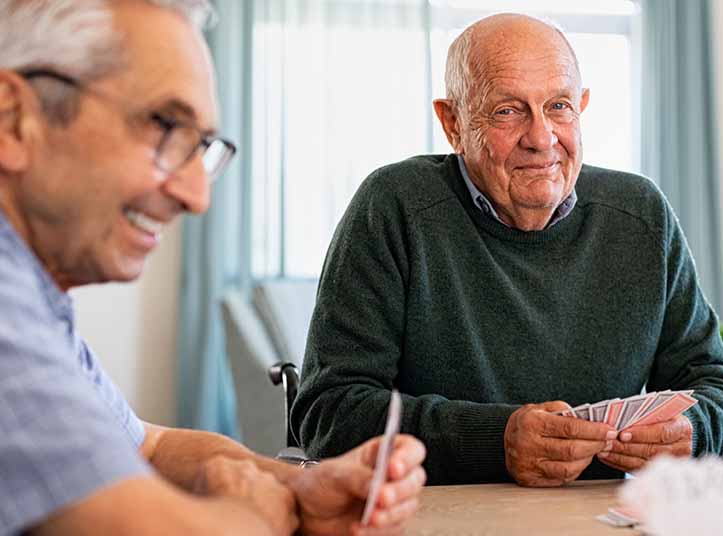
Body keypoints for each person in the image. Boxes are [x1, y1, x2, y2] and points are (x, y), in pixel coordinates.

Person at [0, 1, 426, 535]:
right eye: (165, 127)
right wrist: (253, 513)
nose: (198, 195)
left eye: (200, 147)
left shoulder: (37, 300)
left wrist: (299, 485)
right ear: (14, 120)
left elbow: (149, 445)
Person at [293, 13, 723, 487]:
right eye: (508, 110)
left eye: (558, 106)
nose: (541, 138)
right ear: (453, 123)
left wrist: (692, 431)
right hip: (444, 516)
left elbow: (718, 389)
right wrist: (495, 440)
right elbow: (328, 413)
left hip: (603, 517)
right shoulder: (395, 206)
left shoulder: (641, 213)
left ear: (582, 108)